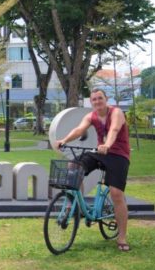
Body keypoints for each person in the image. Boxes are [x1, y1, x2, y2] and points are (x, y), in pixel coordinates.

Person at [54, 88, 131, 252]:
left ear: (106, 99)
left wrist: (107, 145)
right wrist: (64, 140)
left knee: (116, 193)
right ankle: (78, 206)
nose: (97, 101)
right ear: (91, 102)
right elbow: (79, 130)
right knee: (73, 165)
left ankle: (122, 237)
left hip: (119, 155)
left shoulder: (116, 113)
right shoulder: (91, 116)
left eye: (100, 98)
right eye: (94, 99)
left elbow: (114, 130)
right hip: (99, 153)